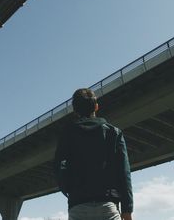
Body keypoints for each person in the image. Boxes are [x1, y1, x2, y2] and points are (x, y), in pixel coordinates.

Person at [54, 88, 133, 220]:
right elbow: (124, 172)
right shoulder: (114, 133)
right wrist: (127, 209)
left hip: (78, 205)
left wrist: (69, 190)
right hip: (107, 205)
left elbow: (59, 166)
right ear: (96, 107)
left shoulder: (67, 134)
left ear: (74, 109)